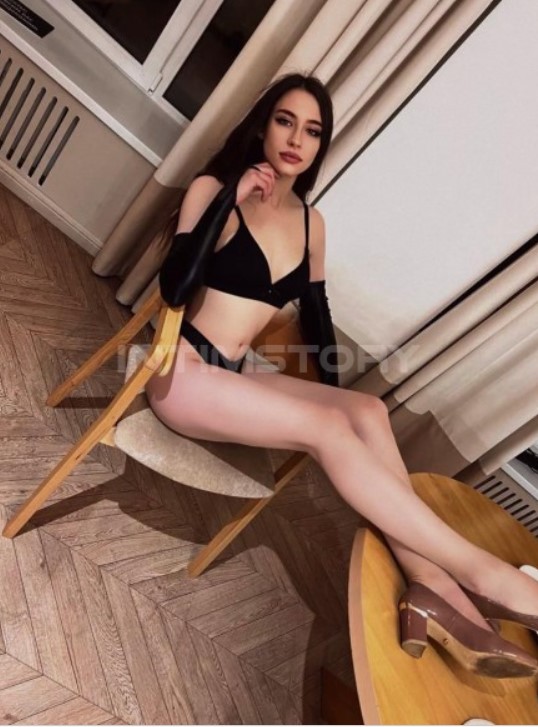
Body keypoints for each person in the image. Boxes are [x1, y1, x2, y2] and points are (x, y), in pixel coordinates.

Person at [147, 73, 538, 678]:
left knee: (365, 411)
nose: (295, 140)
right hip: (183, 371)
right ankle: (483, 576)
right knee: (328, 432)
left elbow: (317, 320)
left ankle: (432, 590)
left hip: (235, 375)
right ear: (262, 124)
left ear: (320, 145)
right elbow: (175, 286)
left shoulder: (311, 223)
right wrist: (232, 197)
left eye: (312, 131)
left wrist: (337, 406)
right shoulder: (214, 188)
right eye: (285, 121)